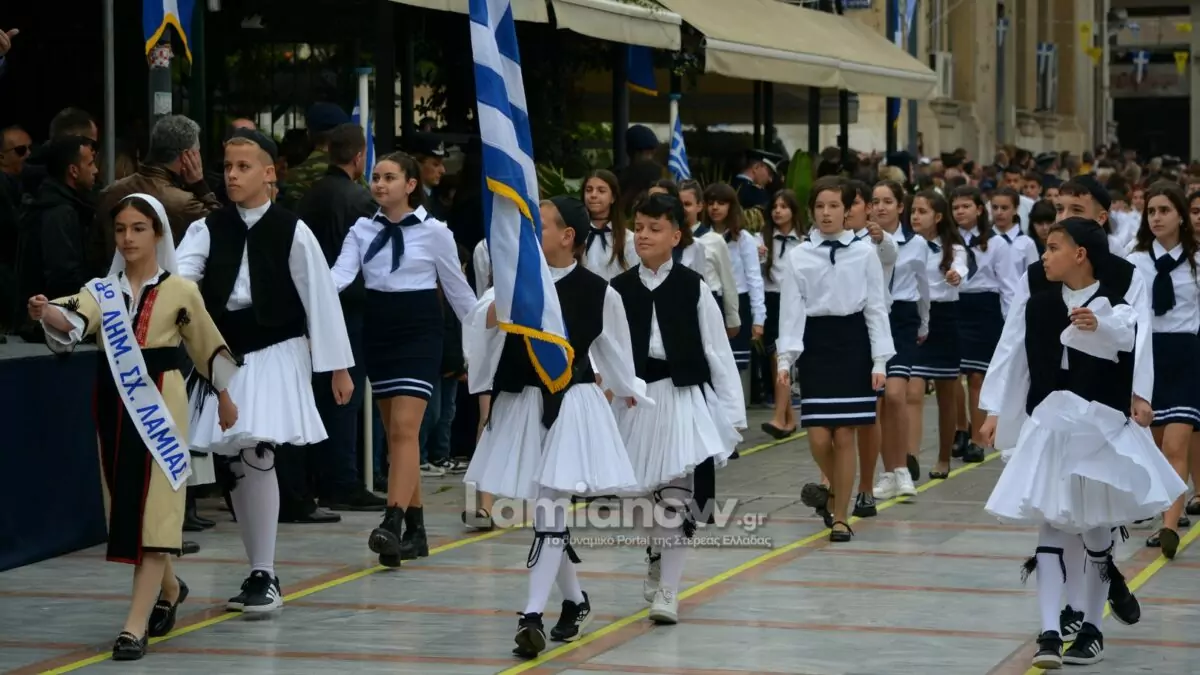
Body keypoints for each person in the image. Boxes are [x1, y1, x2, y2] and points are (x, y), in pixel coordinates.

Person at [28, 194, 241, 660]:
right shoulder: (102, 290)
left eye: (138, 228)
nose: (127, 238)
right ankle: (170, 589)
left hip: (162, 404)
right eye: (121, 229)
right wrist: (46, 310)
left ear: (158, 233)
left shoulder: (181, 290)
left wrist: (225, 397)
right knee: (131, 508)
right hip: (114, 404)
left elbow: (206, 343)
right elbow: (73, 318)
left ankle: (133, 626)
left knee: (158, 506)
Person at [979, 217, 1185, 668]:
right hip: (1050, 427)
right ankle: (1050, 632)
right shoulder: (1038, 305)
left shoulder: (1115, 305)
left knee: (1095, 530)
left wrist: (1131, 380)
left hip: (1099, 429)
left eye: (1053, 247)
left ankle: (1091, 628)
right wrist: (995, 410)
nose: (1044, 256)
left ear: (1080, 254)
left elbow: (1131, 340)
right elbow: (1016, 357)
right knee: (1051, 526)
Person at [177, 129, 355, 613]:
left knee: (257, 450)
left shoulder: (292, 229)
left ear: (269, 173)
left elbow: (320, 297)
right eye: (227, 167)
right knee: (238, 460)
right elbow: (180, 282)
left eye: (244, 167)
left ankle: (264, 572)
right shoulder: (208, 228)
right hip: (224, 352)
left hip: (276, 348)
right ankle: (259, 567)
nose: (232, 175)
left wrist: (338, 367)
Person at [464, 196, 647, 658]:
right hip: (521, 403)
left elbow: (617, 354)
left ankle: (531, 615)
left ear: (568, 236)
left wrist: (630, 392)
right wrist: (505, 305)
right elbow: (479, 325)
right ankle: (575, 600)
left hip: (571, 406)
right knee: (548, 512)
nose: (531, 236)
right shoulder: (515, 283)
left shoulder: (599, 292)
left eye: (540, 227)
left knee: (550, 509)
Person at [329, 151, 475, 567]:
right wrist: (305, 288)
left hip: (420, 330)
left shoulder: (436, 232)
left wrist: (488, 336)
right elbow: (338, 277)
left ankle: (391, 521)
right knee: (397, 435)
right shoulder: (361, 229)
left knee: (405, 429)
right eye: (376, 177)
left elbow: (458, 292)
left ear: (411, 185)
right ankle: (417, 532)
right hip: (379, 329)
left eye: (389, 177)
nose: (379, 184)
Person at [610, 193, 746, 624]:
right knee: (637, 494)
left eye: (655, 228)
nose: (644, 236)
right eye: (639, 228)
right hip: (635, 399)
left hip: (680, 395)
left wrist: (731, 413)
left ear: (675, 235)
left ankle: (669, 589)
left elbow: (717, 350)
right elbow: (606, 351)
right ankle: (654, 551)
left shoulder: (693, 286)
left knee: (675, 494)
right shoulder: (618, 289)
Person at [777, 176, 895, 542]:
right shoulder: (798, 255)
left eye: (834, 206)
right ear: (811, 211)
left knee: (845, 434)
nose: (826, 213)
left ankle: (841, 516)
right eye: (819, 206)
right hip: (816, 344)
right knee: (817, 436)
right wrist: (785, 359)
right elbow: (791, 310)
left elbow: (876, 307)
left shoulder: (864, 252)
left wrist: (880, 361)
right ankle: (834, 493)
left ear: (847, 211)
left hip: (853, 343)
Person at [1126, 183, 1200, 557]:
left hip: (1187, 354)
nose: (1156, 217)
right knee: (1155, 446)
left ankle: (1170, 525)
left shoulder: (1197, 260)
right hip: (1149, 356)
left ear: (1181, 217)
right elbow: (1125, 311)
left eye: (1165, 210)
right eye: (1151, 211)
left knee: (1175, 443)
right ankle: (1165, 512)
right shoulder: (1136, 260)